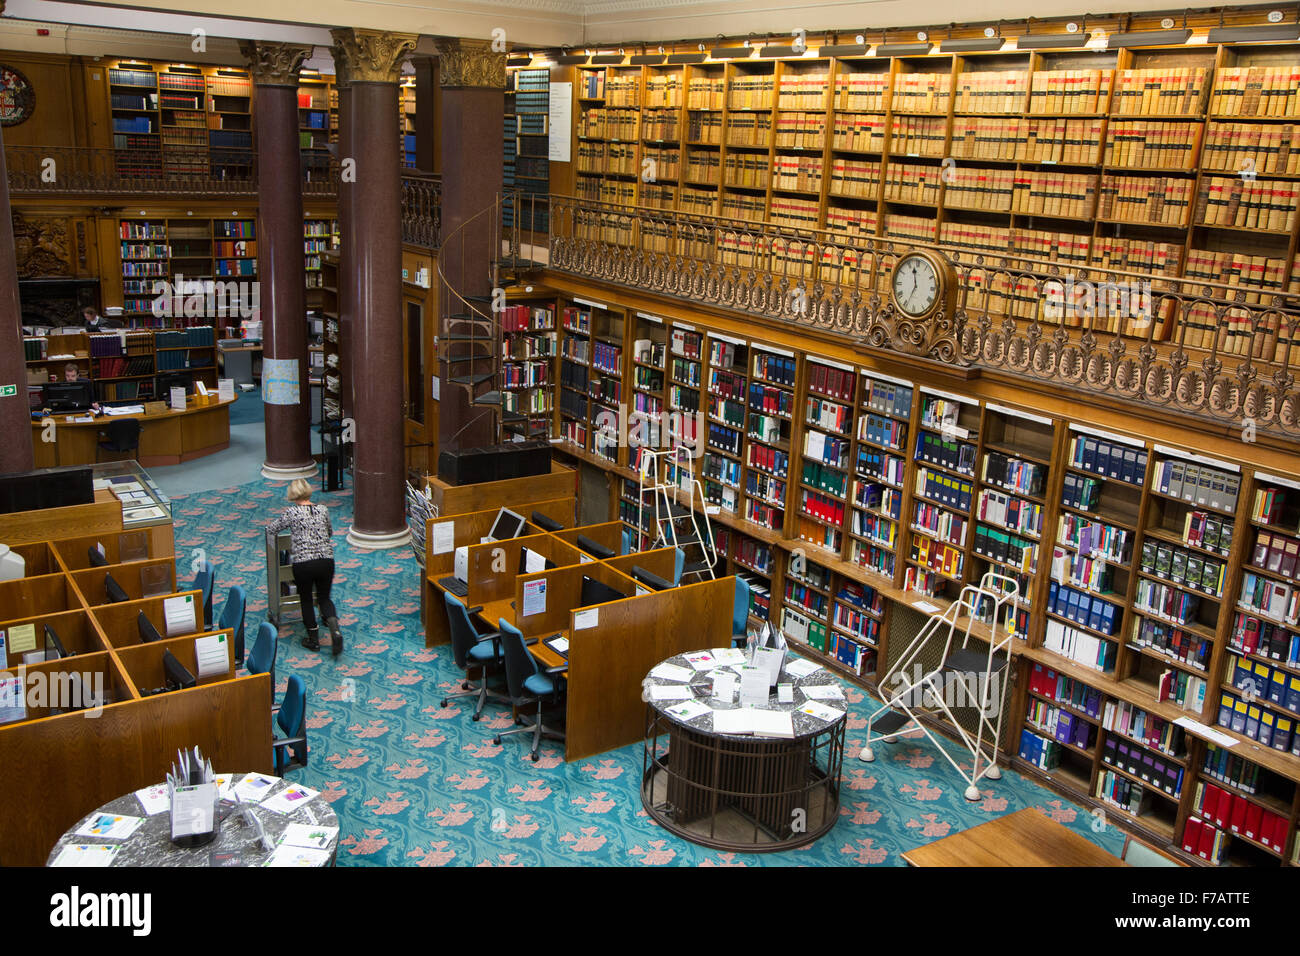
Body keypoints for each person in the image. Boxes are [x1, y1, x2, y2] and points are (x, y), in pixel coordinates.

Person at [266, 479, 343, 654]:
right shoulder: (323, 509)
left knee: (306, 599)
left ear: (292, 495)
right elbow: (329, 532)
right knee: (324, 598)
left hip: (303, 563)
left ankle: (313, 639)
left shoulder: (292, 513)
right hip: (326, 561)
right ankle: (335, 630)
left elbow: (272, 529)